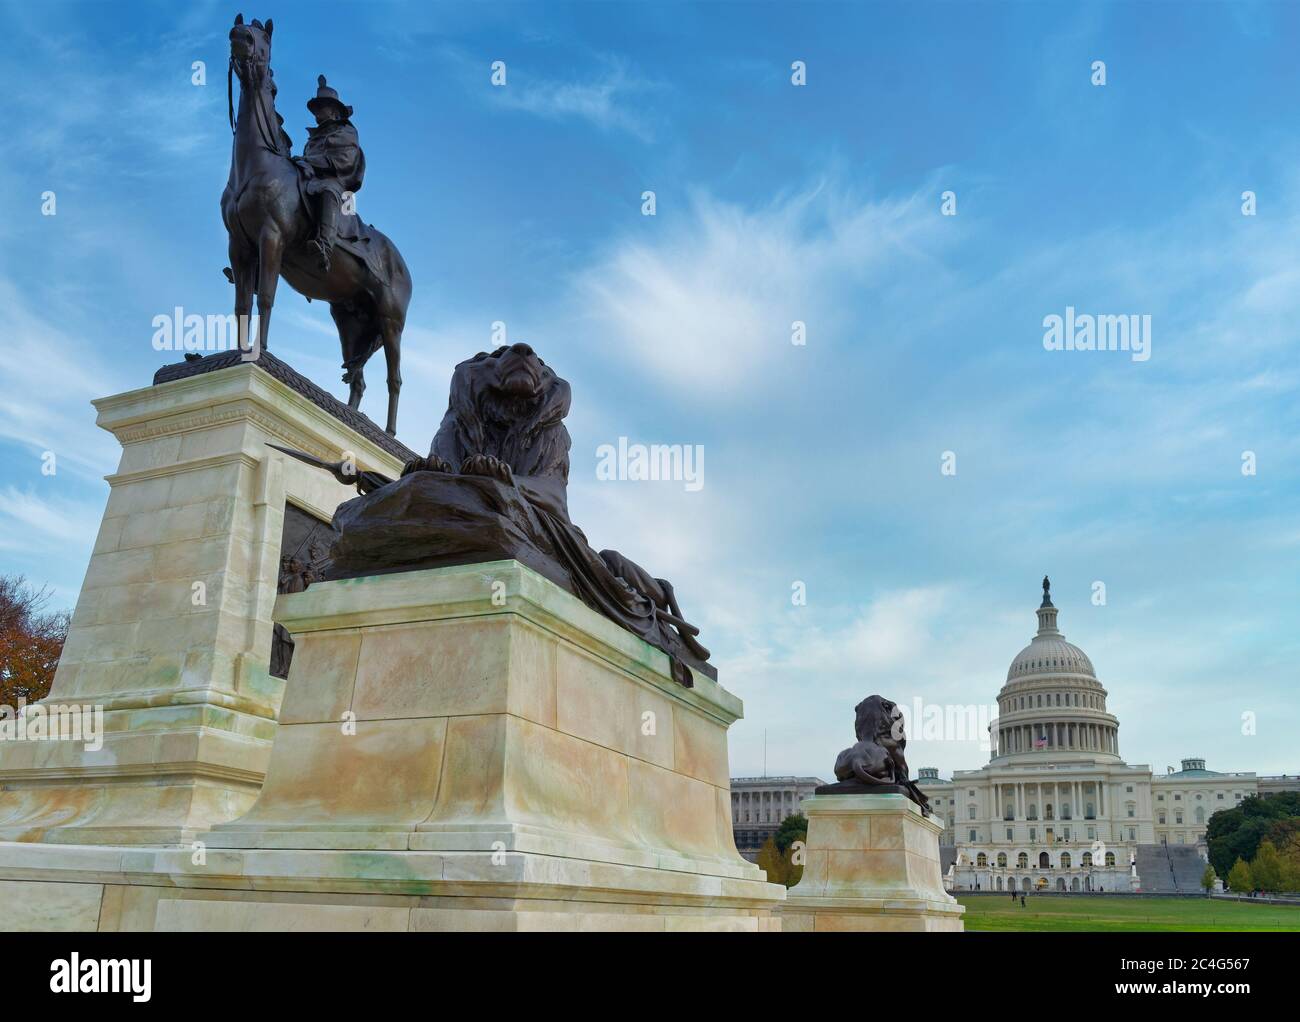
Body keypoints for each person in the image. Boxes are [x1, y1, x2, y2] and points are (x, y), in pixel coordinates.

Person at [296, 75, 365, 272]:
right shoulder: (312, 139)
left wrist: (308, 161)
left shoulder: (347, 133)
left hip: (336, 182)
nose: (317, 112)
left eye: (321, 107)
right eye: (316, 108)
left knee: (328, 190)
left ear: (334, 111)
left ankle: (324, 247)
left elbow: (342, 161)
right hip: (310, 179)